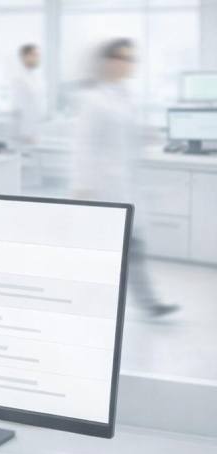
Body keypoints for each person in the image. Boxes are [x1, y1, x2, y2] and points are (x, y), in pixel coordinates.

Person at [71, 38, 178, 319]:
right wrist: (82, 188)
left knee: (131, 247)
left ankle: (148, 303)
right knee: (111, 250)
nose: (129, 64)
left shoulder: (123, 96)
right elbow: (84, 145)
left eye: (131, 59)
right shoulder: (93, 99)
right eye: (123, 58)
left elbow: (129, 139)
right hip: (105, 189)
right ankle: (87, 303)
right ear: (108, 62)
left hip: (126, 187)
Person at [12, 44, 47, 147]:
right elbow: (19, 108)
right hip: (26, 134)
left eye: (38, 55)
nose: (38, 58)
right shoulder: (19, 78)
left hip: (38, 127)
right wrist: (25, 133)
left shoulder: (37, 75)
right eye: (34, 55)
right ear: (24, 56)